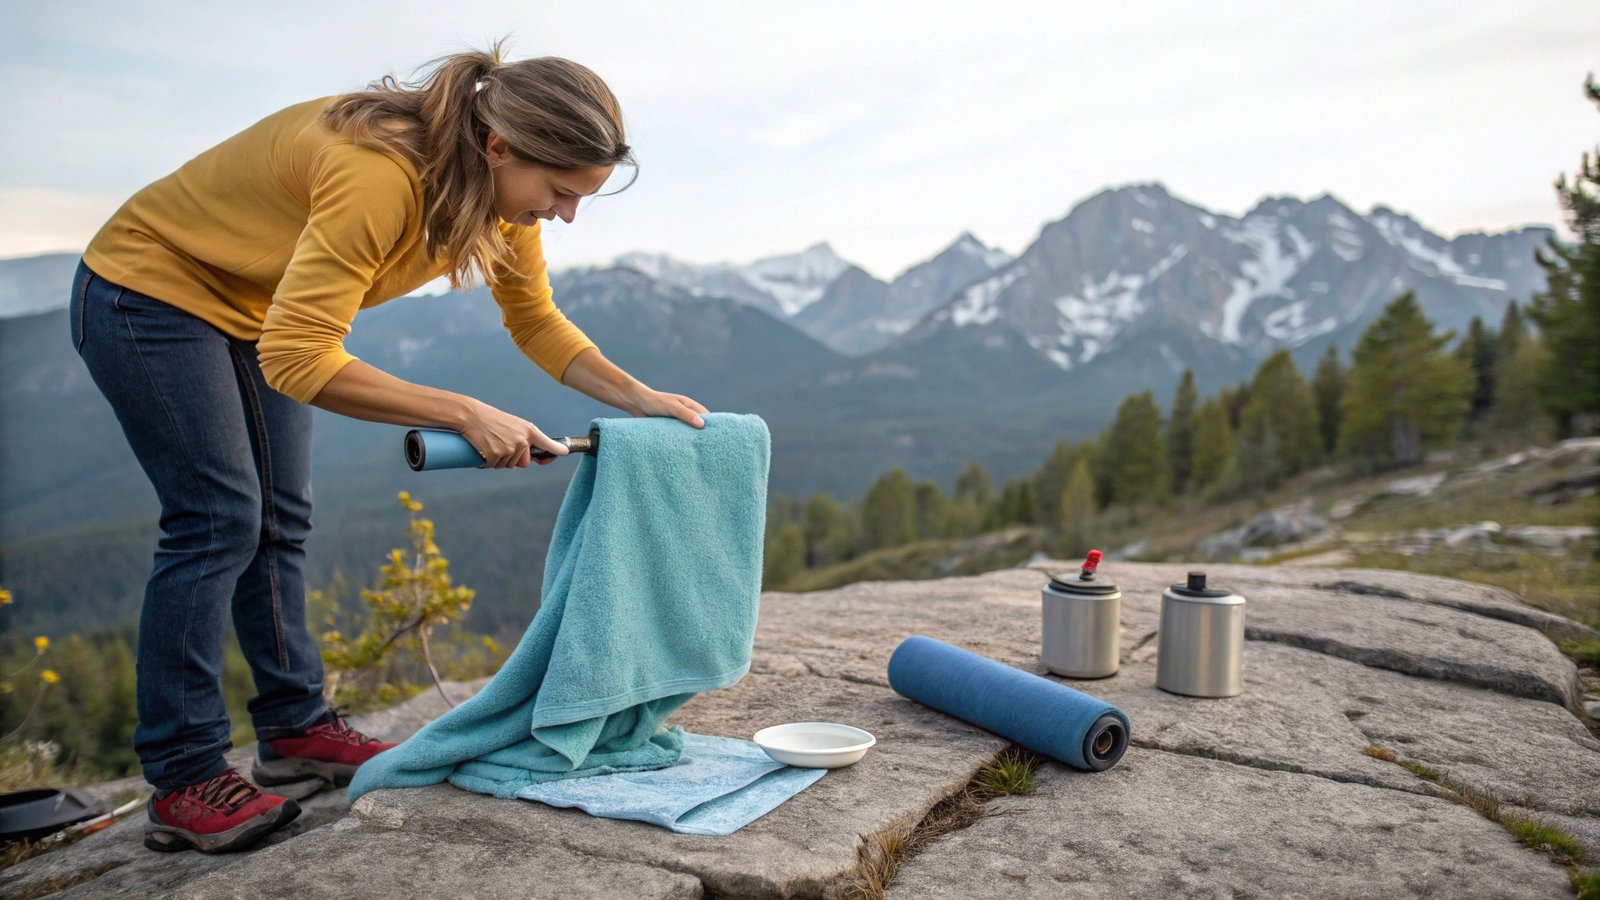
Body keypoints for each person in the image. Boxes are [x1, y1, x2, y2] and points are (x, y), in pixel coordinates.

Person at [69, 42, 707, 854]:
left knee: (281, 518)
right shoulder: (378, 174)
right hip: (148, 293)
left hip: (255, 309)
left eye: (581, 196)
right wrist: (465, 412)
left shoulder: (494, 197)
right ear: (500, 146)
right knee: (218, 518)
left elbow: (534, 320)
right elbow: (300, 358)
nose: (566, 213)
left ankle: (295, 729)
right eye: (560, 192)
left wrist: (640, 398)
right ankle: (185, 774)